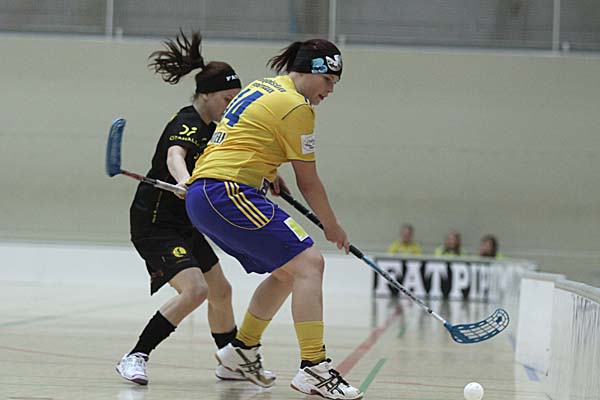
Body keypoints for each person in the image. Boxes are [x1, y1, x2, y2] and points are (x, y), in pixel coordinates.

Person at [185, 39, 363, 400]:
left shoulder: (264, 86)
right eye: (328, 80)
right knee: (310, 264)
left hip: (208, 193)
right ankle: (314, 368)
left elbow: (244, 138)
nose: (330, 90)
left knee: (287, 272)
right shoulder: (297, 107)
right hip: (227, 192)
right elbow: (308, 181)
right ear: (310, 71)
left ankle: (240, 353)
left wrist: (266, 172)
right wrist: (332, 226)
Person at [115, 30, 270, 386]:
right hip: (155, 224)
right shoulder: (187, 122)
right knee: (196, 290)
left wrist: (264, 178)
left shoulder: (216, 130)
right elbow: (175, 155)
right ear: (206, 95)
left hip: (186, 223)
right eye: (227, 99)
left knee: (221, 291)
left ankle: (230, 362)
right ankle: (135, 355)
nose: (231, 106)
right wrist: (185, 180)